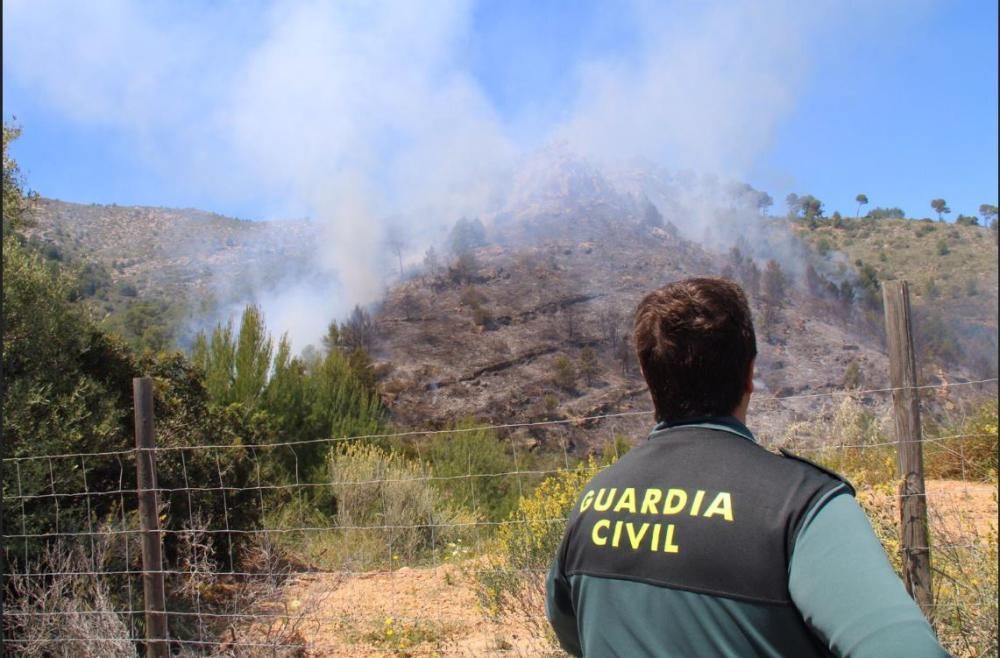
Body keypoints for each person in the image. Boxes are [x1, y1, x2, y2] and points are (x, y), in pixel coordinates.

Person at [545, 277, 949, 657]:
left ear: (648, 377)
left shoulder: (595, 499)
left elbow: (572, 630)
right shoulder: (801, 507)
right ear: (750, 374)